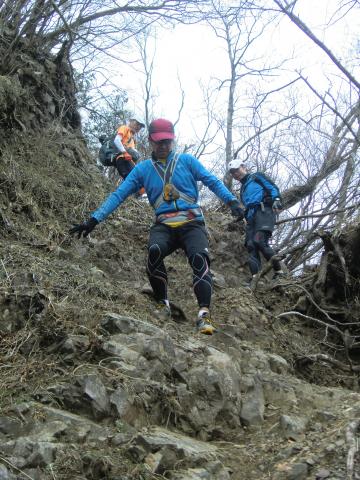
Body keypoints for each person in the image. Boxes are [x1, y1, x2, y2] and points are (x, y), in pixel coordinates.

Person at [70, 118, 244, 335]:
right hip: (164, 224)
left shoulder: (187, 161)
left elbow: (212, 181)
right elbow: (119, 194)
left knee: (199, 257)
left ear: (172, 140)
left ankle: (203, 314)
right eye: (159, 142)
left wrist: (233, 202)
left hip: (192, 222)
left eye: (167, 142)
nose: (163, 146)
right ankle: (163, 303)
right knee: (154, 251)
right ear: (151, 141)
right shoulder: (142, 169)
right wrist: (94, 219)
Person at [228, 159, 284, 284]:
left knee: (260, 241)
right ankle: (256, 279)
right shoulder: (242, 189)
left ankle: (280, 272)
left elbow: (273, 187)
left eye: (237, 170)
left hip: (264, 211)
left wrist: (277, 199)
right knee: (251, 245)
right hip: (251, 218)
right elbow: (246, 205)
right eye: (233, 173)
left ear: (243, 167)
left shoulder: (256, 176)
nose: (236, 174)